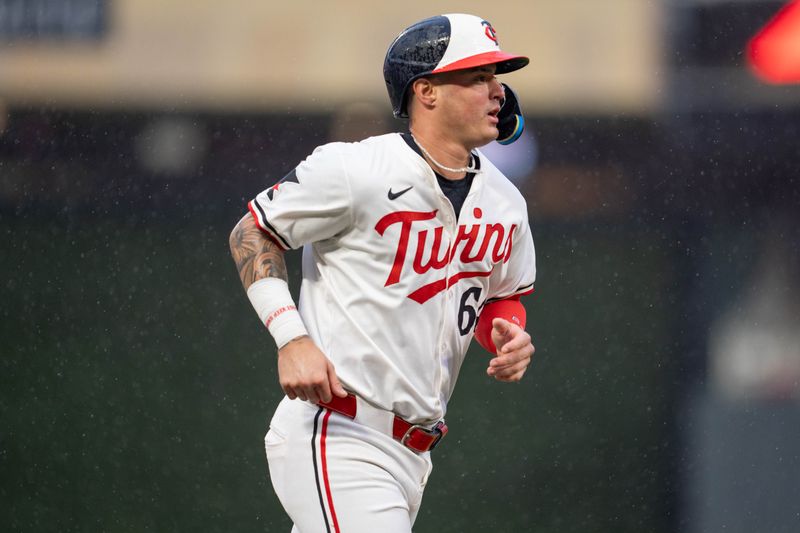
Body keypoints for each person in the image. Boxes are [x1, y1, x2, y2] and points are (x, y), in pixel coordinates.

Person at [229, 13, 536, 532]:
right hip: (338, 432)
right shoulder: (355, 169)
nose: (497, 91)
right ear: (427, 91)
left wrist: (504, 332)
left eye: (497, 76)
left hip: (415, 454)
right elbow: (251, 233)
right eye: (478, 76)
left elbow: (500, 297)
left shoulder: (506, 202)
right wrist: (291, 337)